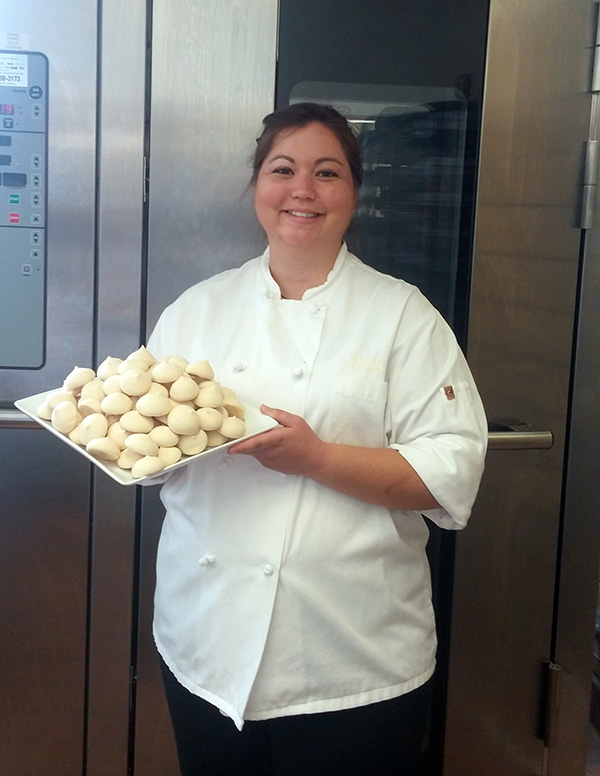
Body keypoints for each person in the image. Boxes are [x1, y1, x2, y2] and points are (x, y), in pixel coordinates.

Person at [145, 102, 488, 775]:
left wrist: (317, 458)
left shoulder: (403, 318)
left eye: (327, 172)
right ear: (257, 188)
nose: (302, 190)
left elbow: (450, 473)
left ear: (354, 194)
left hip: (351, 657)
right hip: (206, 643)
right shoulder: (197, 310)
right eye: (283, 169)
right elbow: (150, 451)